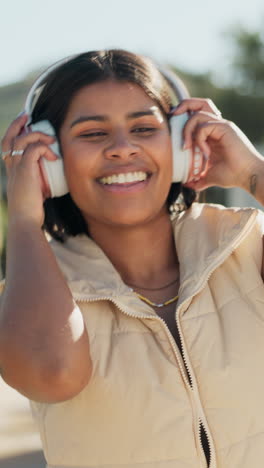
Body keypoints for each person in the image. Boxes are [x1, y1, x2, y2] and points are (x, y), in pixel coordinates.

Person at [0, 49, 264, 468]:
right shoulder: (32, 292)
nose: (123, 149)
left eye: (144, 128)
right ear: (50, 160)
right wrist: (23, 219)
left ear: (181, 145)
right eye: (92, 134)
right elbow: (49, 373)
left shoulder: (246, 245)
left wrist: (252, 171)